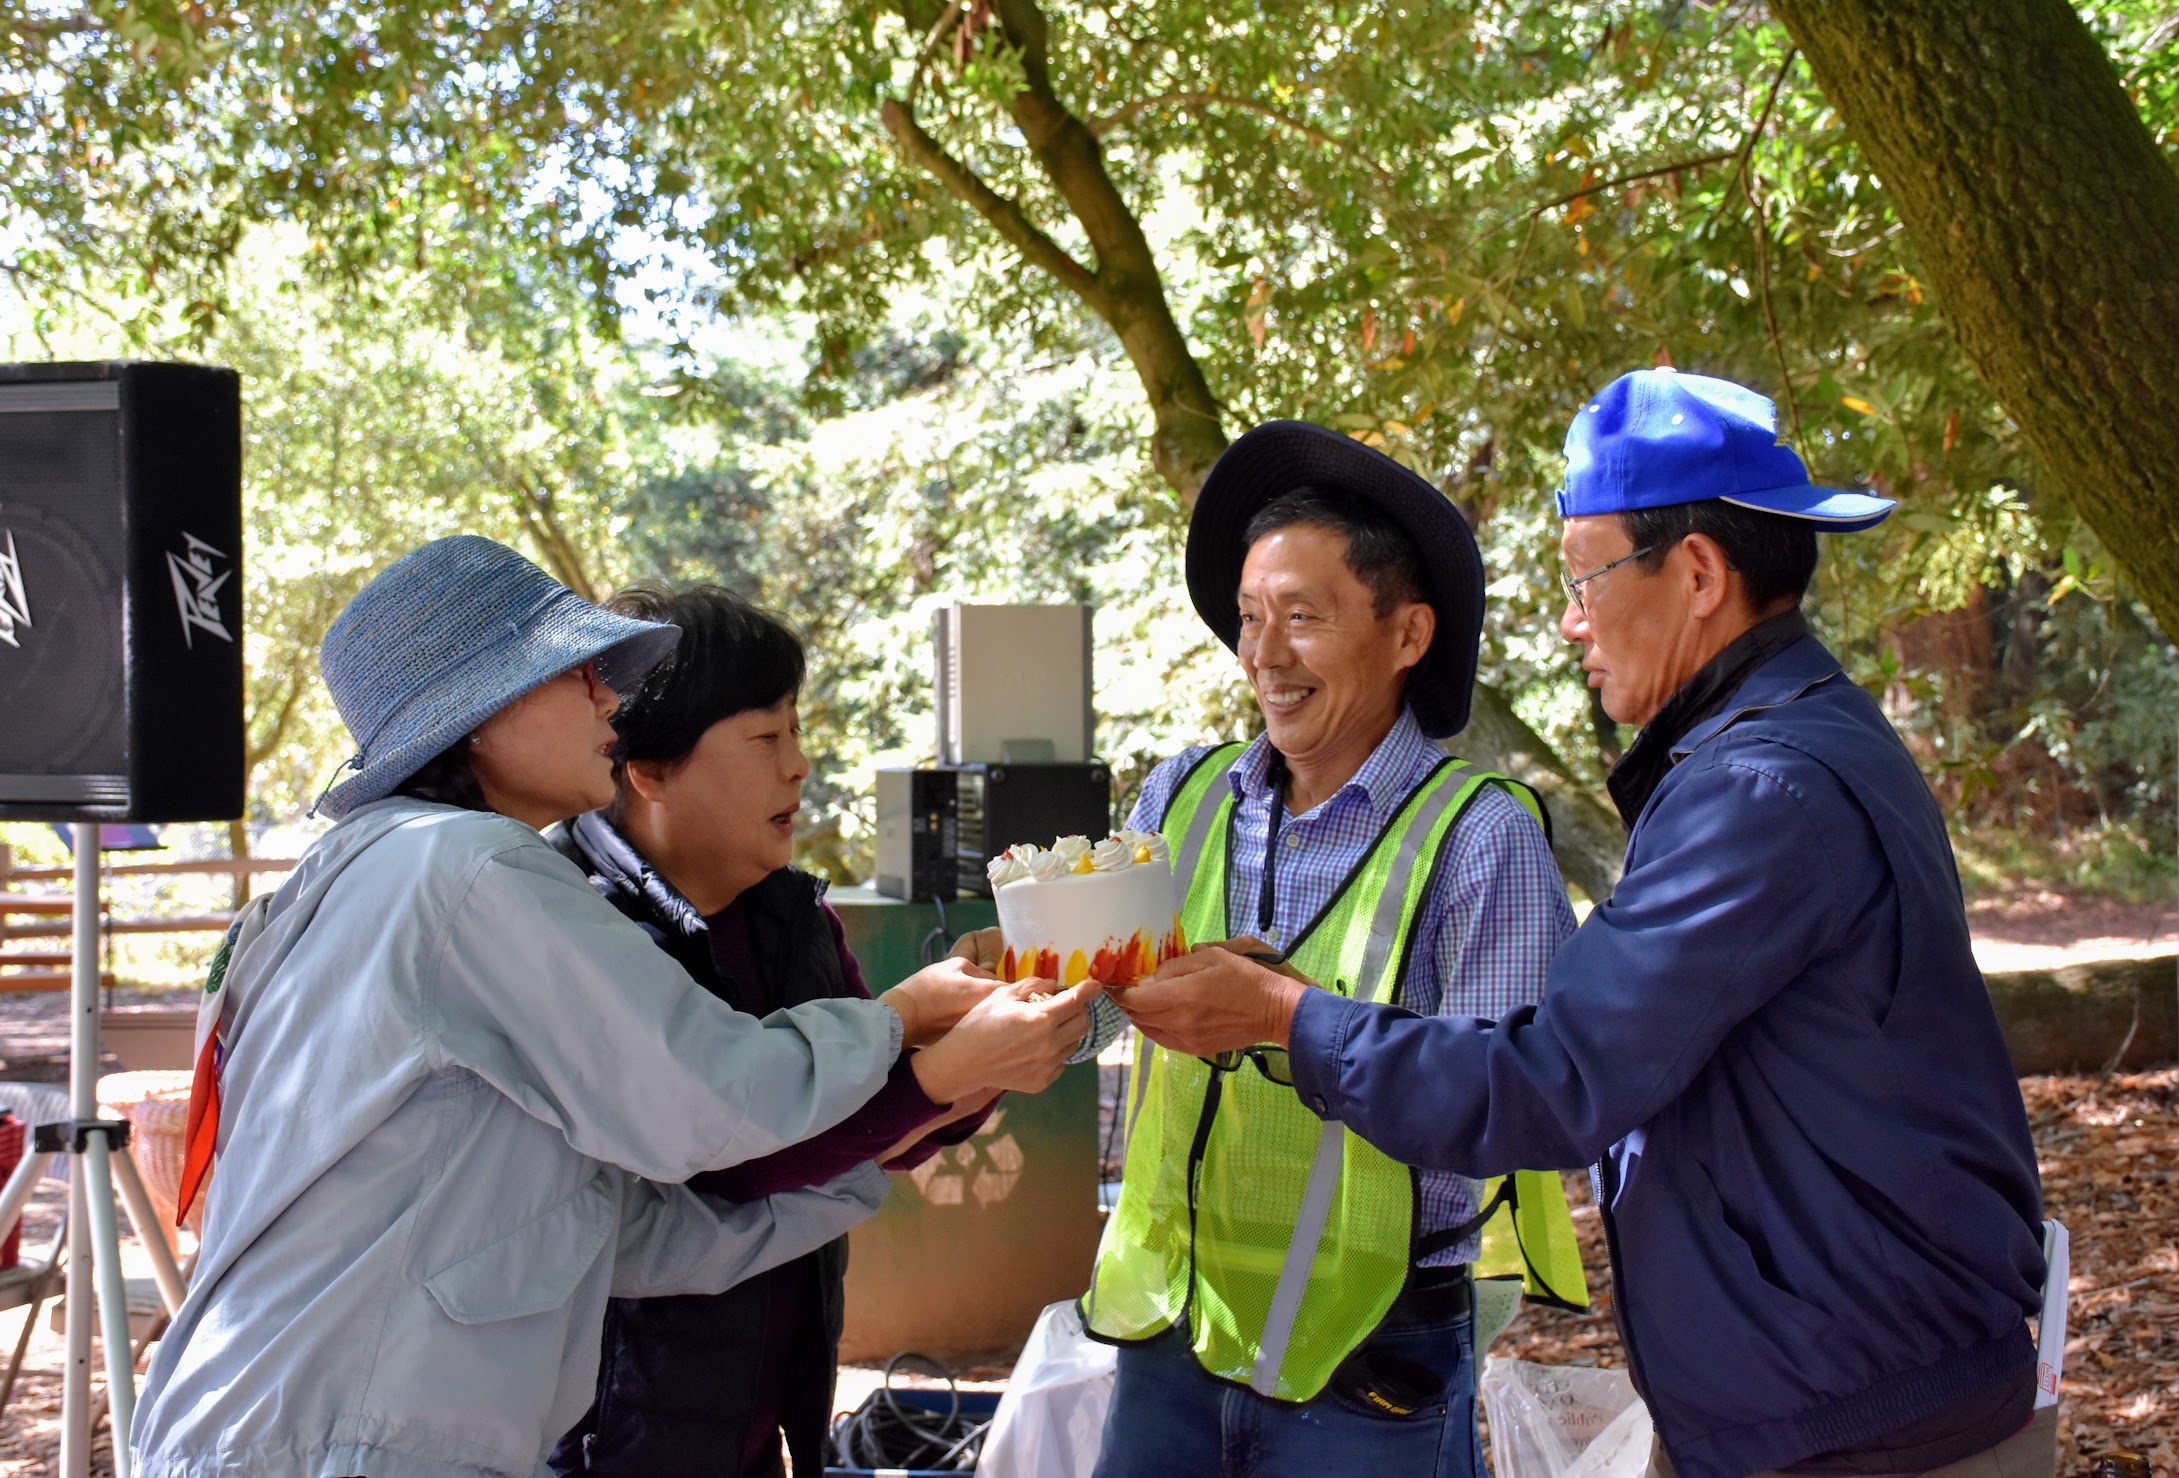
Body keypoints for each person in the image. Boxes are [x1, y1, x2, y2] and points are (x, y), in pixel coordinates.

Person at [1119, 371, 2050, 1478]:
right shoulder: (1775, 751)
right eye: (1251, 617)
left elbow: (1552, 1079)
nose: (1570, 620)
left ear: (1697, 573)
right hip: (1810, 1392)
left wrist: (1279, 1012)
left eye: (1583, 577)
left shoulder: (1760, 789)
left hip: (1856, 1415)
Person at [133, 536, 1095, 1478]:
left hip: (289, 1422)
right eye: (574, 674)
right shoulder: (464, 867)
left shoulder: (362, 873)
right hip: (337, 1441)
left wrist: (904, 1112)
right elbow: (711, 1099)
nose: (610, 698)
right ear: (478, 714)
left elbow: (617, 1228)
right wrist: (905, 1026)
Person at [1082, 423, 1586, 1478]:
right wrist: (1036, 964)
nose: (1263, 653)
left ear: (1407, 634)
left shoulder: (1481, 834)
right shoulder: (1184, 794)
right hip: (1172, 1334)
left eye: (1303, 617)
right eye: (1250, 617)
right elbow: (1097, 1007)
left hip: (1371, 1359)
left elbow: (1506, 1112)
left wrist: (1287, 1016)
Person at [546, 586, 1006, 1478]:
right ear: (648, 769)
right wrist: (943, 1067)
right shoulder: (580, 929)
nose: (797, 767)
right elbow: (730, 1156)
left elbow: (872, 1122)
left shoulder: (790, 915)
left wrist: (997, 1041)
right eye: (764, 739)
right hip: (620, 1422)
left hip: (770, 1405)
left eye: (796, 732)